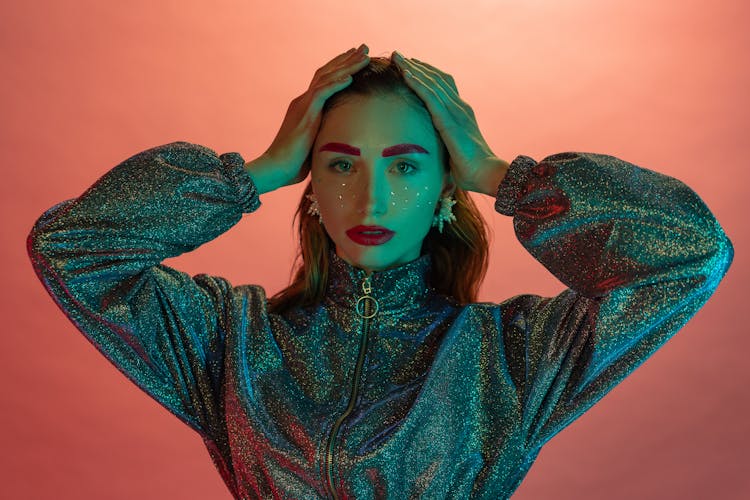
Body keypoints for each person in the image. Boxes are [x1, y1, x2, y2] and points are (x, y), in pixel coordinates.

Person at [26, 43, 734, 499]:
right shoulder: (231, 343)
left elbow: (690, 254)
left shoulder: (507, 359)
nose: (370, 198)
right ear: (311, 187)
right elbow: (69, 248)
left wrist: (503, 176)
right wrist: (257, 170)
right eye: (340, 165)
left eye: (406, 166)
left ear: (443, 195)